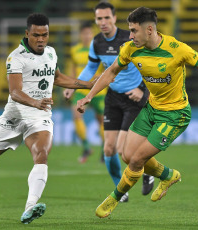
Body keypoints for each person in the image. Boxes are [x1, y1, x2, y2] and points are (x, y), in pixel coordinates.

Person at [76, 7, 198, 218]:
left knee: (136, 161)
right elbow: (111, 71)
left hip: (175, 114)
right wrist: (88, 96)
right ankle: (168, 176)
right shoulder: (131, 48)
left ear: (149, 29)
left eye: (134, 31)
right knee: (126, 154)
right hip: (151, 109)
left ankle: (113, 198)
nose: (130, 36)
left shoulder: (176, 48)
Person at [0, 13, 98, 224]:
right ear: (27, 34)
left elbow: (57, 77)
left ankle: (29, 207)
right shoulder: (15, 57)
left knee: (41, 153)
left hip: (39, 117)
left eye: (45, 35)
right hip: (14, 116)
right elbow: (15, 91)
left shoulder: (51, 53)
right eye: (36, 35)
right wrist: (35, 101)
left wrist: (87, 84)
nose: (41, 39)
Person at [64, 2, 154, 202]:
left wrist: (142, 90)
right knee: (108, 148)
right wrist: (74, 85)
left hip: (133, 99)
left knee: (124, 150)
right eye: (99, 19)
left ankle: (148, 169)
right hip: (112, 98)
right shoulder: (96, 42)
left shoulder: (129, 38)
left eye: (106, 18)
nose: (103, 22)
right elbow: (90, 67)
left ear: (114, 18)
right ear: (96, 21)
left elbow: (149, 66)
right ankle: (120, 189)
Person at [63, 21, 106, 164]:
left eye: (89, 33)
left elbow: (107, 69)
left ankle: (104, 150)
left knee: (102, 121)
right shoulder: (75, 50)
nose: (86, 36)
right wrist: (70, 86)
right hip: (81, 90)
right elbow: (73, 70)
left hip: (98, 91)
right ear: (81, 35)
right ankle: (86, 147)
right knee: (76, 114)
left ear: (92, 34)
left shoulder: (100, 50)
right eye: (84, 33)